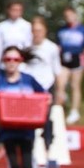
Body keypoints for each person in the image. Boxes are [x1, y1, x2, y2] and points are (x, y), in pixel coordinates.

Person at [23, 16, 61, 157]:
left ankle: (48, 149)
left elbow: (57, 70)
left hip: (46, 86)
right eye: (35, 31)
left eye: (40, 30)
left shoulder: (52, 48)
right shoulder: (26, 48)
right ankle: (30, 151)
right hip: (31, 89)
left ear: (45, 31)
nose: (37, 34)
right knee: (30, 120)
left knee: (46, 118)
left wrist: (60, 91)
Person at [56, 7, 84, 125]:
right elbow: (58, 46)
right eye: (66, 16)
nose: (69, 18)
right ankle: (61, 105)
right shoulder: (61, 30)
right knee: (60, 84)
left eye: (70, 15)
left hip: (77, 59)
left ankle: (74, 111)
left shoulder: (82, 30)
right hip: (64, 59)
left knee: (75, 85)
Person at [0, 0, 32, 82]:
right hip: (4, 66)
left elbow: (28, 48)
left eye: (18, 10)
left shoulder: (27, 26)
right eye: (13, 10)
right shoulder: (1, 27)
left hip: (21, 67)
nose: (15, 12)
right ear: (8, 10)